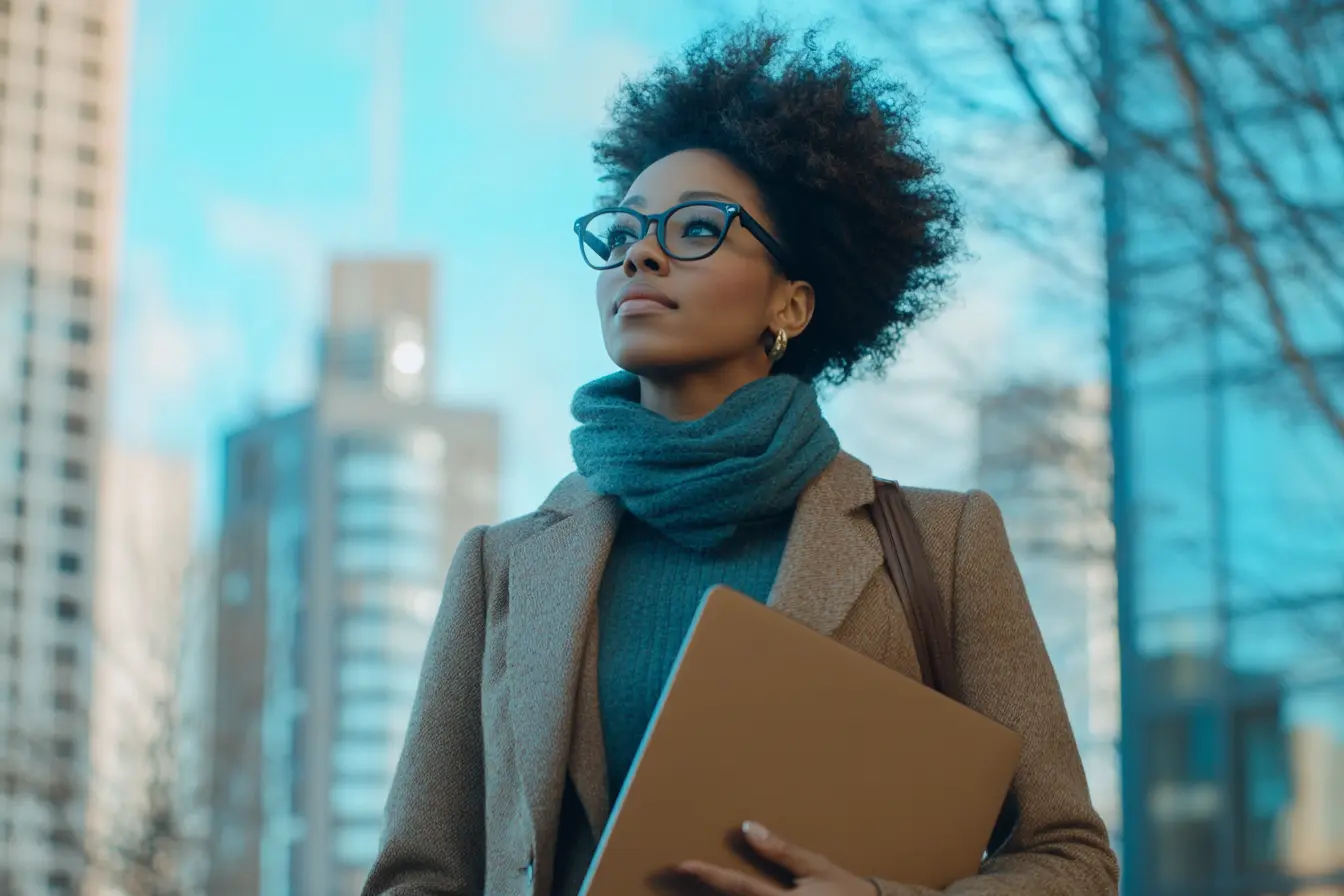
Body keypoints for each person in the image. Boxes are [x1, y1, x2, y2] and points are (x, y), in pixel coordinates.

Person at [362, 16, 1117, 896]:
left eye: (695, 229)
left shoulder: (943, 545)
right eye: (622, 233)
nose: (638, 252)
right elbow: (418, 876)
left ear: (791, 305)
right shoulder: (502, 565)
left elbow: (1073, 860)